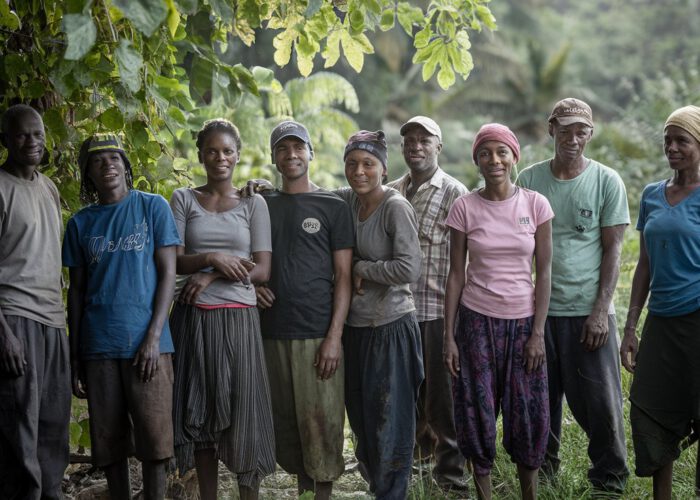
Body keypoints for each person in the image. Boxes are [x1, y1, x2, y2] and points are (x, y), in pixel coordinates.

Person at [517, 98, 630, 494]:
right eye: (565, 129)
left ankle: (610, 479)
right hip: (540, 314)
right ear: (551, 129)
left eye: (581, 130)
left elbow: (614, 250)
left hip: (588, 313)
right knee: (540, 401)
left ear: (590, 133)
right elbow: (515, 247)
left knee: (601, 404)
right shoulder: (529, 181)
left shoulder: (606, 180)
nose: (573, 137)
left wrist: (601, 311)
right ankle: (544, 474)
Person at [63, 134, 180, 500]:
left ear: (126, 167)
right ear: (87, 174)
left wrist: (152, 337)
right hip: (98, 345)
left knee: (155, 438)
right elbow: (77, 292)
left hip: (148, 343)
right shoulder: (80, 224)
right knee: (109, 441)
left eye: (115, 157)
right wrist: (75, 355)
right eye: (98, 161)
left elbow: (168, 274)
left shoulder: (152, 208)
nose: (108, 165)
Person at [443, 123, 553, 499]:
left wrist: (538, 333)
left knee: (528, 411)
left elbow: (545, 272)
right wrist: (450, 337)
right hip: (476, 322)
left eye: (501, 152)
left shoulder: (535, 205)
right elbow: (456, 275)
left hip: (523, 324)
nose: (494, 160)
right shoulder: (464, 207)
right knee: (476, 410)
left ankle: (529, 494)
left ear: (514, 157)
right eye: (486, 153)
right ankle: (484, 493)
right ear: (477, 159)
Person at [168, 119, 275, 500]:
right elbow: (176, 261)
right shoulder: (183, 199)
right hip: (194, 318)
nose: (220, 158)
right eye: (212, 151)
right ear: (200, 156)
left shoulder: (253, 203)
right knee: (200, 413)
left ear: (238, 156)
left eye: (227, 151)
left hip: (239, 318)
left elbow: (261, 270)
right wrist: (212, 256)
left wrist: (212, 274)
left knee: (245, 412)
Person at [255, 120, 354, 500]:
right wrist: (257, 284)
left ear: (311, 153)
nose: (291, 154)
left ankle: (323, 494)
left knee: (322, 425)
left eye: (298, 147)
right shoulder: (261, 204)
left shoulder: (332, 206)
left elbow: (343, 276)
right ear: (274, 157)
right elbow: (248, 258)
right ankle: (302, 492)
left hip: (317, 333)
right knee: (288, 427)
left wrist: (334, 337)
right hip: (271, 332)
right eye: (283, 148)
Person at [337, 130, 424, 499]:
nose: (360, 171)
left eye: (368, 164)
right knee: (361, 424)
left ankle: (392, 494)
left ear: (384, 170)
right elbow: (308, 195)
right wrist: (264, 189)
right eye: (352, 164)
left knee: (391, 427)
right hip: (356, 331)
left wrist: (361, 268)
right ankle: (380, 491)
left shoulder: (394, 206)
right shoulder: (348, 202)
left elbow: (408, 268)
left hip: (390, 328)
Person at [620, 105, 700, 499]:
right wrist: (631, 326)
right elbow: (645, 265)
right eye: (668, 140)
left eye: (682, 141)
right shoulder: (652, 195)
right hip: (661, 322)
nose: (672, 148)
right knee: (651, 409)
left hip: (698, 321)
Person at [387, 116, 468, 492]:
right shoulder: (389, 191)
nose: (416, 146)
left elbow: (463, 262)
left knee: (442, 399)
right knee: (403, 397)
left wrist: (456, 325)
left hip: (437, 312)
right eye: (409, 141)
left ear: (439, 146)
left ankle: (452, 477)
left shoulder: (455, 193)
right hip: (396, 312)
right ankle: (414, 472)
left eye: (424, 140)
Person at [0, 104, 70, 499]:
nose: (32, 142)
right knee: (19, 428)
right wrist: (4, 334)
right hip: (15, 319)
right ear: (5, 140)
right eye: (23, 135)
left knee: (52, 424)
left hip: (52, 321)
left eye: (38, 134)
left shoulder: (48, 187)